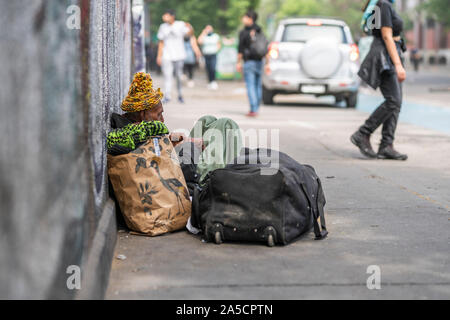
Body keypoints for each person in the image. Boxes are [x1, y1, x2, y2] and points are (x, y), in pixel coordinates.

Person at [110, 72, 242, 189]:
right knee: (227, 125)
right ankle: (212, 176)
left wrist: (172, 141)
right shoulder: (132, 132)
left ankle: (222, 164)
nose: (162, 119)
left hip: (178, 159)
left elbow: (151, 145)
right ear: (143, 114)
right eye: (158, 114)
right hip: (181, 173)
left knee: (206, 121)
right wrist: (187, 145)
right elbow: (151, 155)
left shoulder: (137, 127)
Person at [351, 0, 408, 160]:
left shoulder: (383, 4)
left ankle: (386, 146)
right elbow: (386, 35)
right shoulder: (383, 4)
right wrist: (398, 64)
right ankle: (362, 133)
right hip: (385, 56)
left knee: (396, 103)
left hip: (389, 53)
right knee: (393, 101)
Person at [156, 9, 193, 104]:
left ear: (172, 16)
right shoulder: (162, 27)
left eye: (166, 15)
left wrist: (190, 27)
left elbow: (189, 34)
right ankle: (167, 96)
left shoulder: (180, 24)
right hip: (167, 55)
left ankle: (180, 95)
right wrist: (159, 56)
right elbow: (161, 42)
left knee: (178, 76)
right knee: (167, 76)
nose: (164, 17)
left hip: (179, 55)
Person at [198, 25, 221, 90]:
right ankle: (210, 81)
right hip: (206, 55)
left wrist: (217, 50)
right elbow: (199, 41)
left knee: (213, 68)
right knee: (208, 68)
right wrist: (203, 33)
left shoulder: (215, 36)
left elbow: (219, 44)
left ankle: (213, 81)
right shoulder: (204, 36)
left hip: (213, 54)